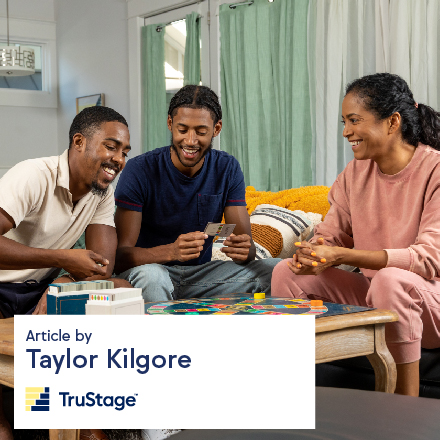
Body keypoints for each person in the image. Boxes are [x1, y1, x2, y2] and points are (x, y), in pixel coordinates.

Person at [271, 72, 440, 397]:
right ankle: (291, 392)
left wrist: (343, 256)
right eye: (344, 122)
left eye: (354, 120)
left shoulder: (434, 170)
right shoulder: (354, 174)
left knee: (391, 280)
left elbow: (428, 259)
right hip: (379, 293)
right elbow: (332, 236)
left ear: (392, 122)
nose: (347, 131)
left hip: (428, 302)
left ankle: (405, 409)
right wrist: (314, 252)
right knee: (285, 273)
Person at [0, 106, 132, 440]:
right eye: (111, 146)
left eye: (125, 152)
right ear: (78, 142)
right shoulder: (33, 175)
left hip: (39, 288)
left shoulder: (101, 190)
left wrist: (65, 277)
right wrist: (63, 258)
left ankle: (92, 421)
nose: (119, 159)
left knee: (119, 288)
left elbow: (102, 264)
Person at [114, 85, 280, 303]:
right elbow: (119, 257)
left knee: (278, 270)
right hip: (149, 271)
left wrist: (243, 249)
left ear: (217, 128)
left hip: (199, 276)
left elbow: (245, 249)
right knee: (152, 277)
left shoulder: (227, 168)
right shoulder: (139, 170)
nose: (190, 141)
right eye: (182, 130)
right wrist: (171, 252)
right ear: (170, 124)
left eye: (201, 132)